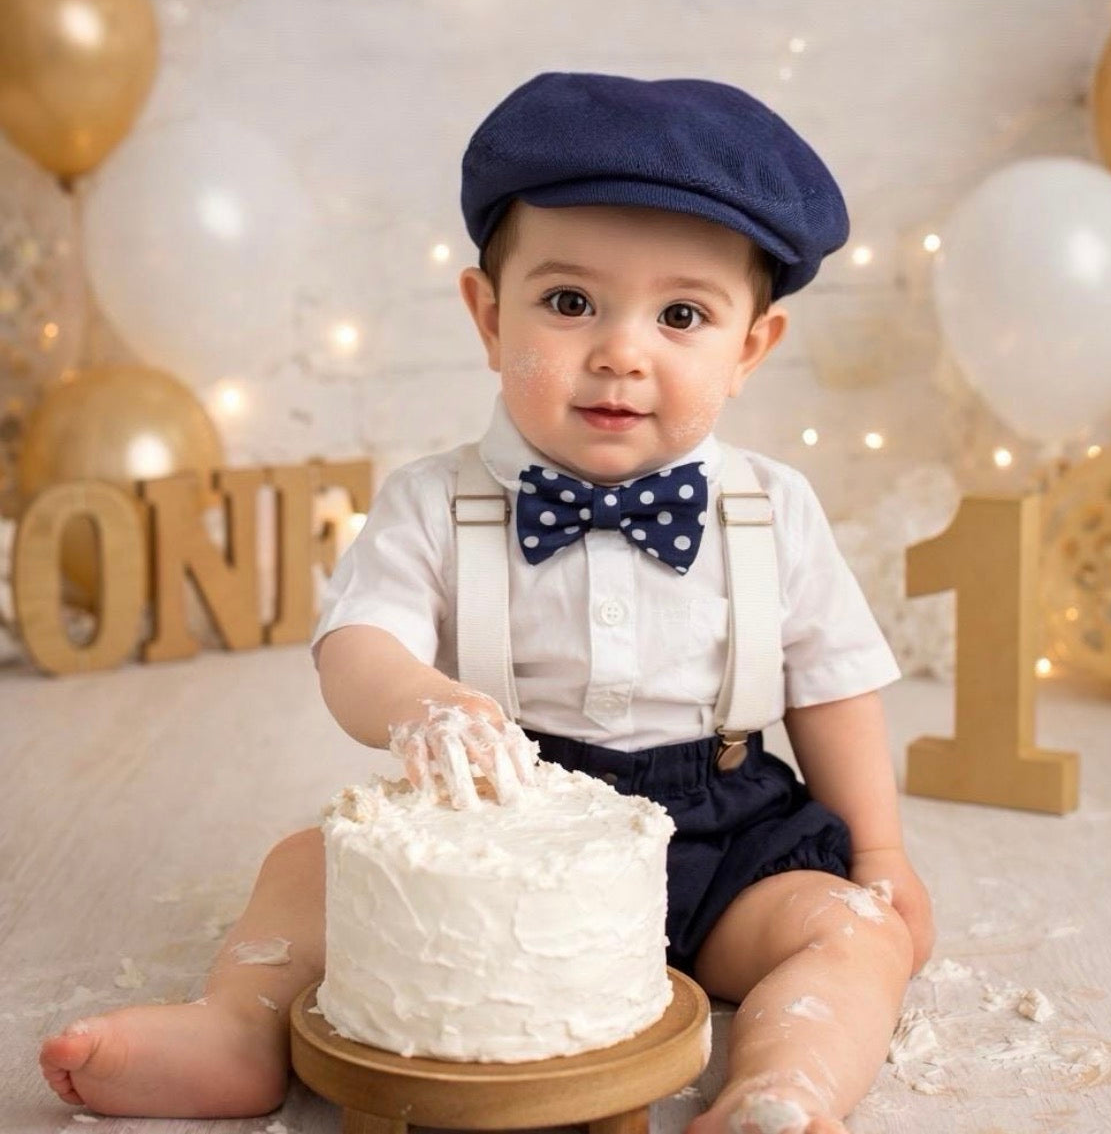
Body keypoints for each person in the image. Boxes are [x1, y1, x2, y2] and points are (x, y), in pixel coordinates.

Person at [40, 72, 934, 1134]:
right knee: (305, 872)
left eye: (681, 314)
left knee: (850, 931)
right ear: (486, 313)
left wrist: (878, 855)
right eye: (570, 302)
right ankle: (238, 1027)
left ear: (748, 348)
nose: (620, 351)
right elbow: (357, 642)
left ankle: (782, 1088)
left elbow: (831, 686)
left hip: (726, 837)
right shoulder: (433, 500)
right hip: (495, 827)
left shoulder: (771, 509)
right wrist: (421, 701)